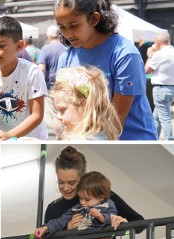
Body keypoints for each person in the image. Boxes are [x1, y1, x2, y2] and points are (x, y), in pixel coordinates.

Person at [54, 0, 157, 140]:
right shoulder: (65, 59)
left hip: (131, 143)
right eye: (62, 27)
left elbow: (115, 122)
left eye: (74, 25)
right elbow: (64, 110)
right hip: (88, 141)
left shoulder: (124, 55)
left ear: (94, 19)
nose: (68, 34)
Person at [44, 146, 144, 239]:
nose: (65, 188)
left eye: (72, 182)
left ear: (82, 179)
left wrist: (123, 224)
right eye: (60, 182)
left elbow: (140, 223)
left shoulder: (102, 196)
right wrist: (67, 231)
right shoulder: (53, 209)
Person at [36, 171, 117, 239]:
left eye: (87, 199)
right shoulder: (77, 208)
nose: (83, 202)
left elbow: (113, 218)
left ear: (101, 197)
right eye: (80, 198)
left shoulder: (107, 205)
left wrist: (100, 216)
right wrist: (45, 228)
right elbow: (61, 220)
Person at [53, 66, 121, 140]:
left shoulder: (80, 141)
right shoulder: (103, 135)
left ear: (84, 105)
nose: (58, 116)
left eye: (62, 110)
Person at [37, 25, 67, 130]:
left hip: (50, 87)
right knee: (65, 113)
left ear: (49, 37)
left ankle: (60, 137)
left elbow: (41, 69)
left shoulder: (45, 49)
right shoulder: (67, 48)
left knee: (55, 115)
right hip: (66, 86)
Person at [145, 32, 174, 140]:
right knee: (156, 116)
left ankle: (169, 141)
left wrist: (149, 57)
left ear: (158, 42)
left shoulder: (159, 54)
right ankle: (154, 139)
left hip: (161, 88)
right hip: (171, 88)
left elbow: (146, 70)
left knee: (164, 117)